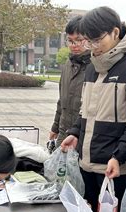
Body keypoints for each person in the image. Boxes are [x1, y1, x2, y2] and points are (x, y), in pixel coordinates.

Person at [61, 6, 126, 212]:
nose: (93, 47)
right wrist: (75, 133)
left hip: (116, 169)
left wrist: (118, 156)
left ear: (115, 32)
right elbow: (85, 112)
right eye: (89, 41)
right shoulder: (92, 69)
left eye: (97, 40)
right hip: (87, 164)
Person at [50, 15, 91, 149]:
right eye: (70, 41)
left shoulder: (97, 66)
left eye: (79, 40)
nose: (74, 45)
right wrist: (55, 127)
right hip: (64, 131)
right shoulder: (67, 65)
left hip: (84, 134)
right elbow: (62, 100)